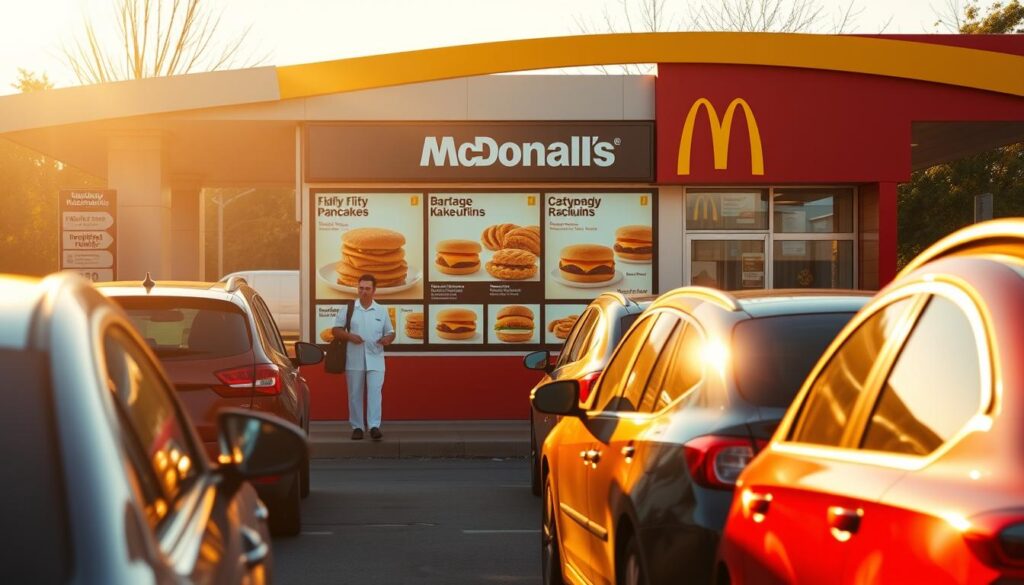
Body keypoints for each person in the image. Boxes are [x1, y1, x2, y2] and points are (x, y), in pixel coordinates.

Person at [331, 274, 395, 440]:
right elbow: (336, 330)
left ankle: (374, 426)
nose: (364, 292)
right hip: (354, 358)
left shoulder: (381, 310)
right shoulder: (349, 308)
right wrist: (349, 336)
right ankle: (357, 427)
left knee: (375, 393)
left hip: (376, 358)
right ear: (357, 289)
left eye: (367, 288)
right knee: (354, 393)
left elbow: (390, 332)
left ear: (374, 290)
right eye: (361, 288)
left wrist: (387, 339)